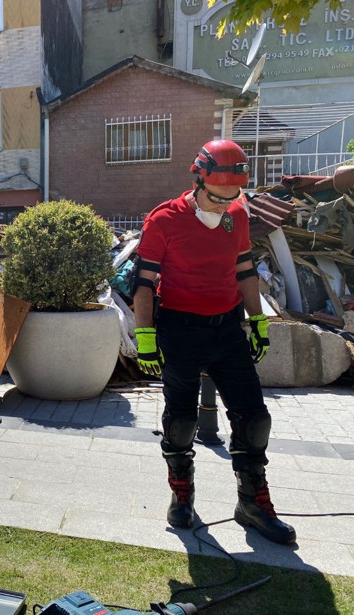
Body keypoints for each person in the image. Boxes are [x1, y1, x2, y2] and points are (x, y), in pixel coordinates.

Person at [131, 139, 296, 545]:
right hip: (180, 331)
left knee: (255, 419)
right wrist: (145, 335)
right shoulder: (164, 219)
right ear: (198, 180)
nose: (224, 205)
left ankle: (252, 504)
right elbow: (144, 282)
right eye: (217, 197)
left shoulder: (237, 214)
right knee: (182, 421)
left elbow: (245, 270)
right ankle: (181, 496)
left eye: (231, 196)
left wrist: (258, 320)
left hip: (227, 329)